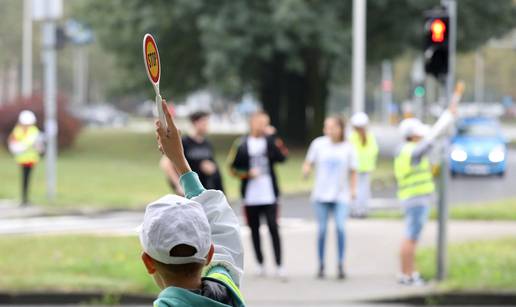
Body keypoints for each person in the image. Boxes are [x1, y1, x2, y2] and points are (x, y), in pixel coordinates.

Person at [141, 100, 245, 306]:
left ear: (148, 262)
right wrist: (181, 162)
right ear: (209, 253)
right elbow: (225, 230)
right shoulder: (226, 289)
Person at [395, 85, 462, 285]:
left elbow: (436, 139)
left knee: (412, 238)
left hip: (415, 199)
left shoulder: (408, 149)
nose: (422, 135)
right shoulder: (410, 150)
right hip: (415, 199)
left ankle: (410, 273)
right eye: (419, 133)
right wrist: (448, 115)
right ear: (412, 135)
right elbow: (433, 136)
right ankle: (407, 275)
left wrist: (449, 117)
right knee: (411, 238)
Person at [227, 111, 288, 278]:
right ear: (252, 123)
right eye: (260, 123)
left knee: (273, 227)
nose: (263, 126)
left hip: (270, 194)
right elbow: (231, 168)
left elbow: (283, 157)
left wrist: (275, 138)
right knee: (254, 229)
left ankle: (279, 264)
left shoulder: (270, 141)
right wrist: (247, 173)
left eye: (265, 123)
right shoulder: (242, 143)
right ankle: (260, 263)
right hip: (251, 195)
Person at [302, 116, 357, 279]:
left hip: (341, 195)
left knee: (340, 228)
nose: (329, 130)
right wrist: (305, 170)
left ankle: (340, 263)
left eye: (333, 127)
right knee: (322, 231)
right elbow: (308, 162)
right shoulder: (318, 144)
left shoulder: (348, 147)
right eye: (327, 127)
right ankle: (321, 264)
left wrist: (353, 190)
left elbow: (353, 171)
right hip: (321, 195)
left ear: (340, 129)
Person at [160, 111, 224, 195]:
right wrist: (178, 185)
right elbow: (165, 163)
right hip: (189, 192)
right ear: (195, 123)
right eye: (204, 122)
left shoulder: (207, 144)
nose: (207, 125)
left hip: (204, 190)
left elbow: (212, 166)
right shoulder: (183, 142)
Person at [8, 110, 43, 206]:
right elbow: (13, 143)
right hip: (22, 159)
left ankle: (25, 198)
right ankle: (24, 198)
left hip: (31, 159)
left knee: (27, 179)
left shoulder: (33, 131)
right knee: (25, 179)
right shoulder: (18, 130)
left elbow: (38, 146)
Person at [349, 112, 379, 218]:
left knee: (354, 189)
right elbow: (375, 150)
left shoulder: (352, 137)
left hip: (354, 167)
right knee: (364, 190)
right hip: (366, 167)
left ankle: (354, 209)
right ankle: (362, 210)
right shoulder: (370, 136)